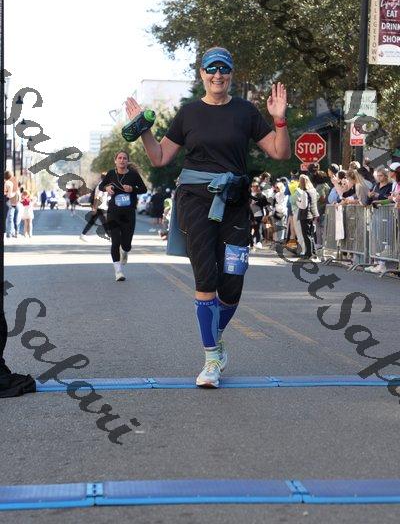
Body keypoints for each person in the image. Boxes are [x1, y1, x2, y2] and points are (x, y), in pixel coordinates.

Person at [128, 46, 290, 388]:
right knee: (206, 278)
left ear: (231, 74)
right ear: (202, 73)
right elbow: (159, 158)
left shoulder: (245, 111)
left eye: (224, 69)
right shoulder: (189, 113)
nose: (218, 75)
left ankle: (214, 337)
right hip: (195, 202)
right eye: (211, 69)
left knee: (232, 283)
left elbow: (279, 151)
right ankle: (211, 358)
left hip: (234, 202)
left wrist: (279, 119)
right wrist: (143, 129)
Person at [99, 150, 147, 281]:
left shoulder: (133, 175)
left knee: (126, 244)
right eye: (119, 158)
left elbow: (144, 189)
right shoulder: (111, 174)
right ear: (115, 161)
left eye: (124, 158)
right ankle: (118, 271)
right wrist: (106, 188)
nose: (122, 160)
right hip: (113, 213)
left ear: (127, 161)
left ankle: (125, 251)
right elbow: (101, 186)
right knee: (115, 241)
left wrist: (132, 189)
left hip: (128, 213)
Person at [296, 174, 319, 261]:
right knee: (311, 235)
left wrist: (298, 201)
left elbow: (303, 206)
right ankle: (313, 253)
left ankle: (309, 254)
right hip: (312, 215)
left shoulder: (304, 192)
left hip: (305, 215)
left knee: (306, 235)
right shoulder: (313, 190)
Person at [80, 173, 109, 242]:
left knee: (95, 222)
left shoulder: (103, 185)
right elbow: (97, 197)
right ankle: (111, 237)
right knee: (104, 222)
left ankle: (83, 235)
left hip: (101, 207)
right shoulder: (101, 186)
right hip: (100, 207)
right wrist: (95, 208)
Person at [249, 180, 268, 250]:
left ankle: (258, 242)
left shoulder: (262, 196)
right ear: (251, 187)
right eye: (253, 186)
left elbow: (266, 206)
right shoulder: (248, 195)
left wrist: (265, 215)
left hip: (259, 215)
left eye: (256, 186)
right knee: (249, 230)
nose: (255, 188)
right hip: (250, 215)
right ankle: (250, 243)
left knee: (257, 230)